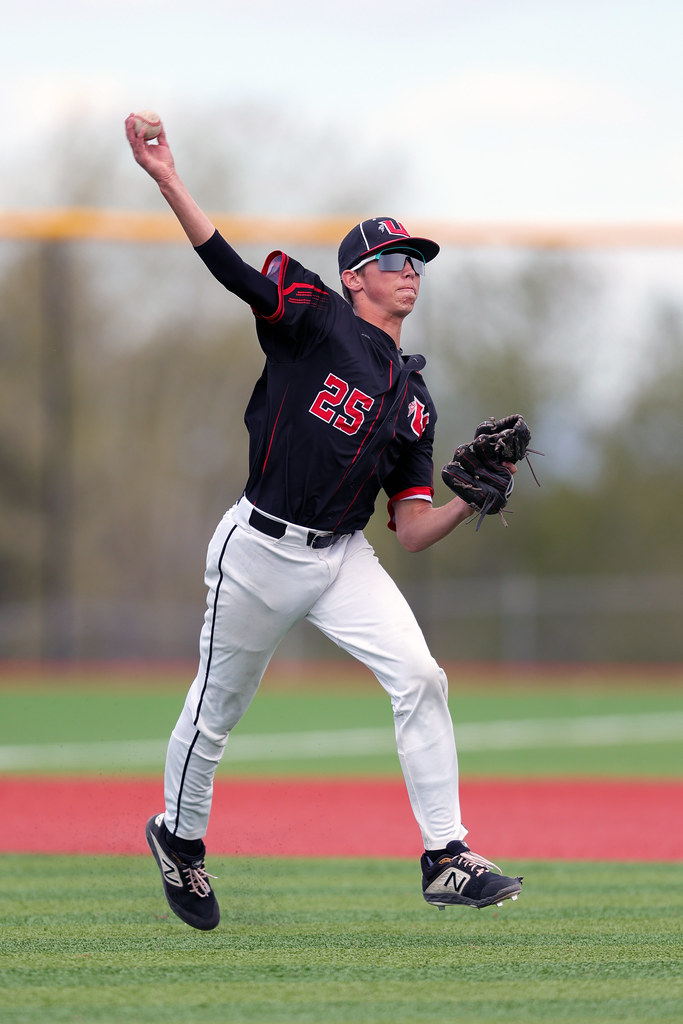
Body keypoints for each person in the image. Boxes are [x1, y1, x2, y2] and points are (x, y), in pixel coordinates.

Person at [125, 113, 523, 931]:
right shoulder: (313, 319)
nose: (410, 271)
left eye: (415, 261)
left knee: (419, 677)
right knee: (215, 712)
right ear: (354, 277)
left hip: (342, 557)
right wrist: (170, 181)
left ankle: (445, 857)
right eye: (392, 260)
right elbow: (233, 270)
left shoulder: (415, 401)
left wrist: (465, 500)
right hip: (260, 546)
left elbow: (409, 530)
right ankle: (179, 838)